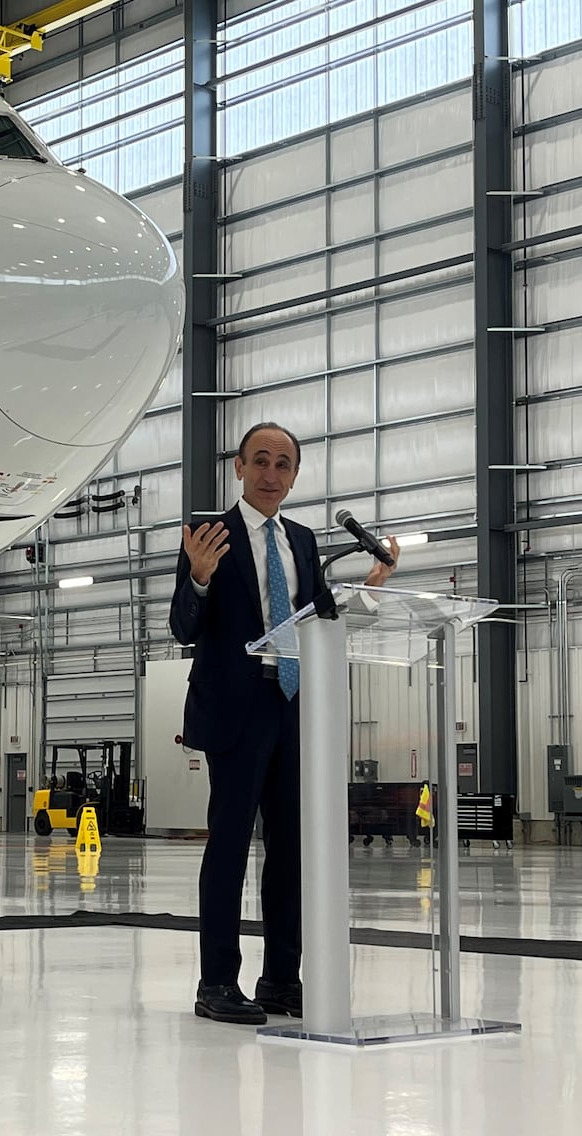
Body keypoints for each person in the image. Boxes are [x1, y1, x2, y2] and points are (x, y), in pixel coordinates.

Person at [169, 422, 399, 1025]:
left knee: (292, 850)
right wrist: (197, 576)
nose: (272, 474)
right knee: (229, 849)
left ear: (294, 476)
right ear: (239, 467)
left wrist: (370, 593)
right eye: (261, 461)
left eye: (284, 465)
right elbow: (183, 628)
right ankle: (216, 983)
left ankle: (279, 980)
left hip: (295, 705)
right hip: (236, 710)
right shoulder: (208, 533)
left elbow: (320, 622)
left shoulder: (300, 541)